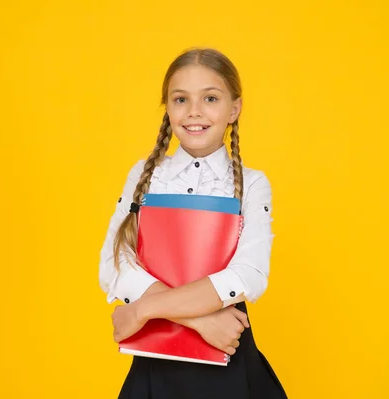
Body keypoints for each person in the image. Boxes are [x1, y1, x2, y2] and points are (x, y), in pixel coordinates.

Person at [98, 47, 288, 399]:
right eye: (180, 99)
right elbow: (114, 266)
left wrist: (141, 310)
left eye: (210, 98)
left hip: (229, 366)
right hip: (157, 369)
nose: (194, 112)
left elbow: (249, 275)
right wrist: (201, 321)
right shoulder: (145, 175)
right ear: (167, 108)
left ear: (234, 109)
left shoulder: (252, 183)